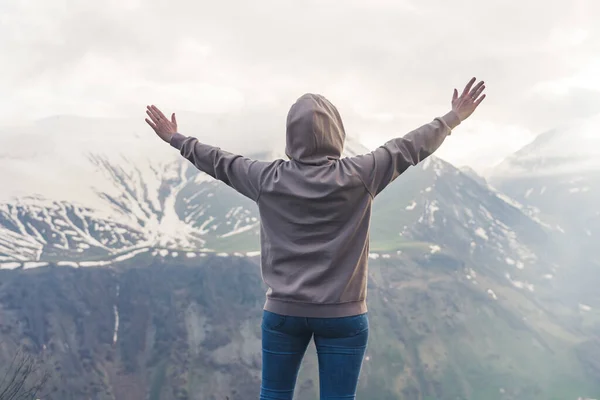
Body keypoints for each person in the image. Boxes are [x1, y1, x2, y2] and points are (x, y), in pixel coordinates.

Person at [145, 77, 486, 399]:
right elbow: (409, 147)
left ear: (291, 136)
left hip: (283, 313)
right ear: (337, 133)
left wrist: (176, 138)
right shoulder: (361, 175)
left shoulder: (266, 178)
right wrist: (453, 117)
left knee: (274, 396)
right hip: (344, 316)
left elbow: (219, 162)